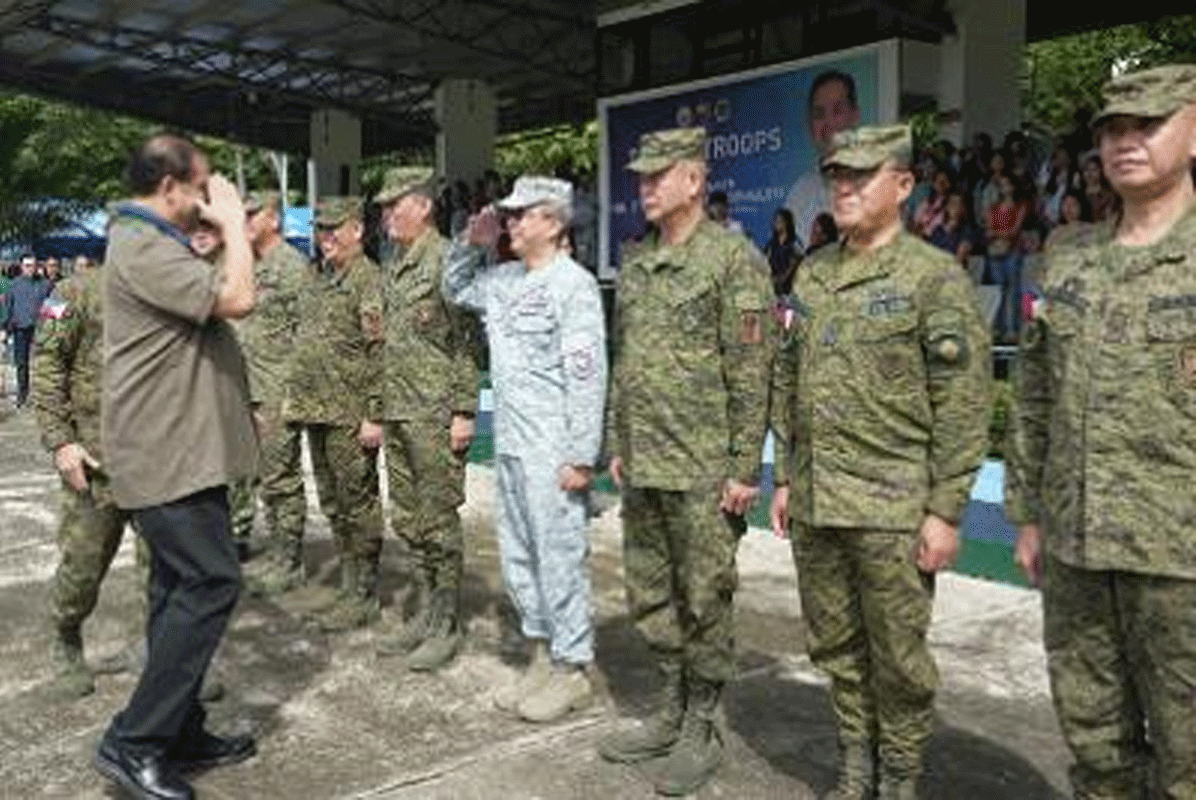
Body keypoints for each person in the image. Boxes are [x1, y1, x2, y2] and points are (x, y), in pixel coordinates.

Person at [770, 124, 990, 800]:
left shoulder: (932, 277)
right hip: (818, 499)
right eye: (837, 176)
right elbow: (788, 373)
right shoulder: (815, 269)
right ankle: (855, 766)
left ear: (902, 185)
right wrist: (784, 476)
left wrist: (945, 509)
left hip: (894, 508)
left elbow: (962, 399)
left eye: (861, 176)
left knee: (898, 657)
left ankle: (898, 779)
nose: (845, 187)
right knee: (836, 648)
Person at [1007, 63, 1196, 800]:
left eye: (1146, 125)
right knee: (1094, 739)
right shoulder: (1070, 256)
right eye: (1112, 130)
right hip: (1078, 547)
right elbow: (1033, 395)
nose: (1126, 142)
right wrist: (1026, 514)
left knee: (1191, 754)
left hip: (1182, 557)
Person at [596, 127, 774, 796]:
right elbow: (627, 361)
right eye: (640, 177)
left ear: (694, 181)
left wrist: (742, 468)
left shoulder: (734, 260)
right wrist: (619, 441)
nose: (643, 186)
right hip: (645, 464)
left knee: (705, 597)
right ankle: (669, 704)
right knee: (650, 592)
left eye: (656, 175)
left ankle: (703, 718)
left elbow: (752, 369)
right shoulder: (638, 263)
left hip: (703, 468)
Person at [95, 133, 257, 800]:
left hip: (182, 451)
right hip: (166, 454)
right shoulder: (139, 243)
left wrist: (221, 240)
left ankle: (176, 728)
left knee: (175, 590)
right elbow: (239, 300)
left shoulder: (150, 243)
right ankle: (134, 743)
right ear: (170, 188)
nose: (207, 197)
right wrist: (238, 226)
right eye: (202, 187)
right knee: (212, 582)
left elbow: (203, 287)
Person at [444, 175, 605, 722]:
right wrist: (470, 241)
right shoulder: (504, 279)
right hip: (511, 444)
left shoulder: (574, 285)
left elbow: (587, 376)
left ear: (555, 223)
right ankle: (542, 653)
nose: (510, 222)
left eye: (521, 215)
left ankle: (573, 666)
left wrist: (582, 455)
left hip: (553, 450)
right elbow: (454, 288)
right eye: (507, 215)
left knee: (560, 558)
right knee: (518, 557)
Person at [370, 167, 479, 672]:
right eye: (385, 207)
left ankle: (446, 622)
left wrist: (463, 410)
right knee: (409, 519)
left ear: (424, 207)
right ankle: (423, 608)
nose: (387, 215)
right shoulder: (395, 263)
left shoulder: (446, 261)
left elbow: (465, 343)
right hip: (398, 409)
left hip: (434, 414)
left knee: (437, 519)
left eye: (396, 205)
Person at [30, 255, 136, 699]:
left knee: (169, 571)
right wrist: (60, 441)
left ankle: (167, 654)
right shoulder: (76, 292)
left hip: (160, 463)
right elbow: (47, 362)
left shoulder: (172, 290)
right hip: (95, 462)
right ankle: (65, 638)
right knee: (83, 566)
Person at [282, 196, 385, 632]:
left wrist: (375, 415)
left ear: (357, 230)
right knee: (333, 502)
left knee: (357, 502)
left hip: (350, 413)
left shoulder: (368, 281)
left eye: (333, 229)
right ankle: (347, 583)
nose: (325, 238)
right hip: (315, 409)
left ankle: (364, 592)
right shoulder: (317, 278)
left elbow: (380, 353)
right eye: (320, 230)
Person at [236, 191, 310, 597]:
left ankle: (289, 560)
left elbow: (309, 336)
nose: (244, 220)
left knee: (281, 477)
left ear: (275, 220)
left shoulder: (292, 268)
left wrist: (293, 394)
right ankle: (276, 551)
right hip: (247, 389)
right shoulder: (249, 265)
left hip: (277, 391)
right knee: (261, 477)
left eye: (252, 214)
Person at [785, 71, 862, 248]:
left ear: (855, 116)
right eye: (819, 114)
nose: (828, 123)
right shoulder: (801, 191)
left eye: (837, 111)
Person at [984, 173, 1028, 341]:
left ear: (1013, 186)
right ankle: (998, 329)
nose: (1005, 188)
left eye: (1008, 184)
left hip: (1014, 250)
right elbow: (988, 231)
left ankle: (1013, 329)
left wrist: (998, 234)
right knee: (999, 291)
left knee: (1014, 290)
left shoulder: (1020, 205)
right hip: (995, 251)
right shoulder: (993, 207)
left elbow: (1015, 231)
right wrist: (1001, 234)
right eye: (1002, 185)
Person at [5, 254, 51, 407]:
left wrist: (53, 325)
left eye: (33, 265)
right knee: (21, 363)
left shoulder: (46, 284)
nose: (30, 269)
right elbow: (8, 307)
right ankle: (22, 394)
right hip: (20, 329)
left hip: (41, 330)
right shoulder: (14, 284)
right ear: (21, 267)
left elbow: (55, 307)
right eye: (27, 265)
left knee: (43, 363)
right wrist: (5, 329)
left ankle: (43, 395)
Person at [928, 192, 977, 268]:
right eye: (952, 203)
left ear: (964, 208)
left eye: (959, 204)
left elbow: (960, 259)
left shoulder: (968, 231)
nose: (955, 207)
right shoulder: (937, 230)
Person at [763, 207, 802, 296]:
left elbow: (796, 264)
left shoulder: (795, 244)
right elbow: (765, 263)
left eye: (778, 221)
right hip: (773, 289)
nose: (775, 224)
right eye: (775, 221)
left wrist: (783, 279)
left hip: (791, 291)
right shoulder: (771, 245)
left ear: (786, 223)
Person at [909, 168, 952, 239]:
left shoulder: (948, 204)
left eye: (945, 181)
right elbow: (916, 218)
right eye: (938, 180)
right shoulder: (928, 198)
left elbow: (938, 227)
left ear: (950, 184)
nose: (941, 183)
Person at [1081, 153, 1119, 222]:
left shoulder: (1108, 196)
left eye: (1094, 170)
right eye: (1086, 170)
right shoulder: (1078, 194)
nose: (1089, 174)